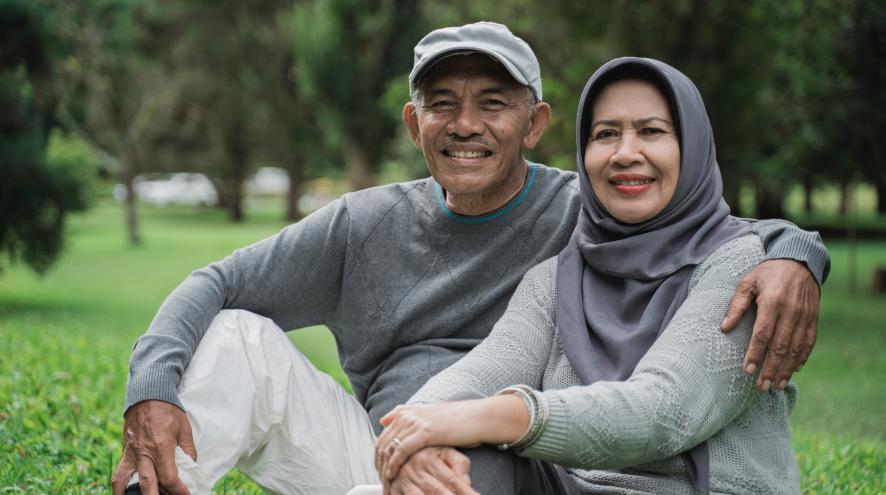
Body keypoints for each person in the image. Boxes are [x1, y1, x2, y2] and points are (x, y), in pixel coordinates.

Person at [112, 23, 828, 495]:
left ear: (537, 123)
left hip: (503, 460)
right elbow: (220, 280)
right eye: (441, 102)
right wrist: (154, 381)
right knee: (236, 335)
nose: (464, 124)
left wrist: (796, 253)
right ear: (412, 120)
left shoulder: (592, 212)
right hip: (392, 450)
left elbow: (710, 235)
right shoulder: (379, 226)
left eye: (493, 102)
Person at [374, 57, 806, 494]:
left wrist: (488, 415)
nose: (625, 153)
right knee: (458, 462)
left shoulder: (744, 268)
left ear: (691, 146)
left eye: (652, 131)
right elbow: (482, 370)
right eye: (606, 134)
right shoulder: (557, 278)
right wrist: (418, 429)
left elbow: (662, 413)